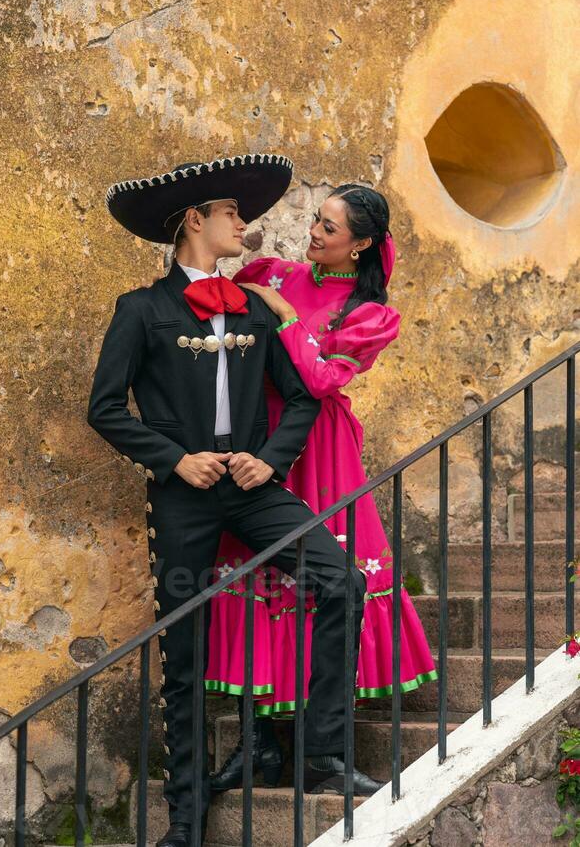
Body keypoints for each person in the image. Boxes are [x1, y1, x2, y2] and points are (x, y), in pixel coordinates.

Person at [87, 155, 381, 847]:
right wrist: (173, 458)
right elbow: (105, 409)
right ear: (195, 221)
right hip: (185, 499)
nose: (242, 226)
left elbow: (307, 395)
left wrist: (270, 459)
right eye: (230, 214)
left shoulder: (253, 305)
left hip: (254, 492)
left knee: (339, 581)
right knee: (186, 657)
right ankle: (185, 825)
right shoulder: (141, 310)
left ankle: (320, 750)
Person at [206, 183, 438, 792]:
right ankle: (258, 745)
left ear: (361, 244)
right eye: (316, 219)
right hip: (257, 436)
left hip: (320, 452)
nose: (314, 233)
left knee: (331, 582)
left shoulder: (370, 317)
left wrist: (283, 315)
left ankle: (324, 752)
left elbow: (318, 380)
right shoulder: (273, 272)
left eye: (330, 229)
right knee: (254, 578)